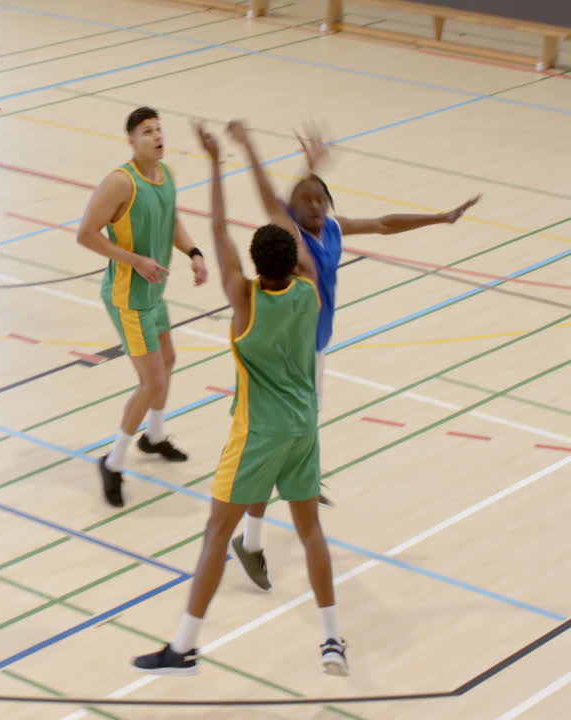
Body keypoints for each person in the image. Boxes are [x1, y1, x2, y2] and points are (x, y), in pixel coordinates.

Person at [132, 120, 348, 678]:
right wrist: (305, 176)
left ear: (254, 265)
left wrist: (213, 161)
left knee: (215, 536)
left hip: (257, 433)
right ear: (294, 259)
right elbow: (290, 227)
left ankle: (183, 647)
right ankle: (331, 641)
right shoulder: (310, 289)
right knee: (309, 533)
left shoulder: (244, 300)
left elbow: (221, 227)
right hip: (305, 429)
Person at [231, 126, 480, 590]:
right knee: (280, 443)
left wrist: (440, 218)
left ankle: (287, 491)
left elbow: (385, 223)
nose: (314, 204)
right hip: (287, 355)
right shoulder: (293, 237)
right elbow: (271, 198)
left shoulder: (334, 230)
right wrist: (248, 147)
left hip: (315, 351)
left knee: (299, 434)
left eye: (320, 198)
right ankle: (250, 540)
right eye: (305, 199)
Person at [76, 107, 208, 508]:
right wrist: (135, 261)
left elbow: (171, 219)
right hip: (128, 297)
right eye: (147, 131)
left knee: (167, 362)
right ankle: (112, 462)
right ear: (132, 141)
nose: (157, 136)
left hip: (154, 293)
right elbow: (85, 234)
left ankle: (153, 437)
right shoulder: (120, 182)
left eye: (159, 129)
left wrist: (194, 252)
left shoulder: (165, 175)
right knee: (151, 381)